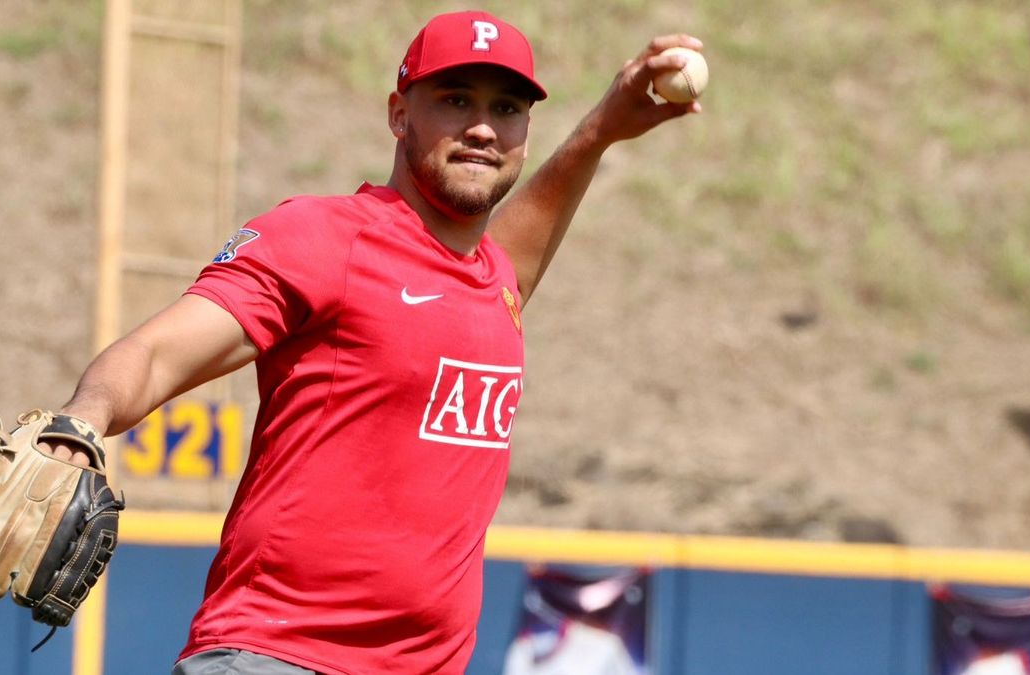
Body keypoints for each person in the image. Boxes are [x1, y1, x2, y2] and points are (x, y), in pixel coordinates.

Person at [46, 10, 702, 675]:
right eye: (455, 100)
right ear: (398, 114)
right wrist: (85, 419)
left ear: (524, 133)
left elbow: (520, 241)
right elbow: (160, 351)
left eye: (505, 107)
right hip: (278, 656)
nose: (481, 126)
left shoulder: (493, 281)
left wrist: (599, 131)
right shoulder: (322, 239)